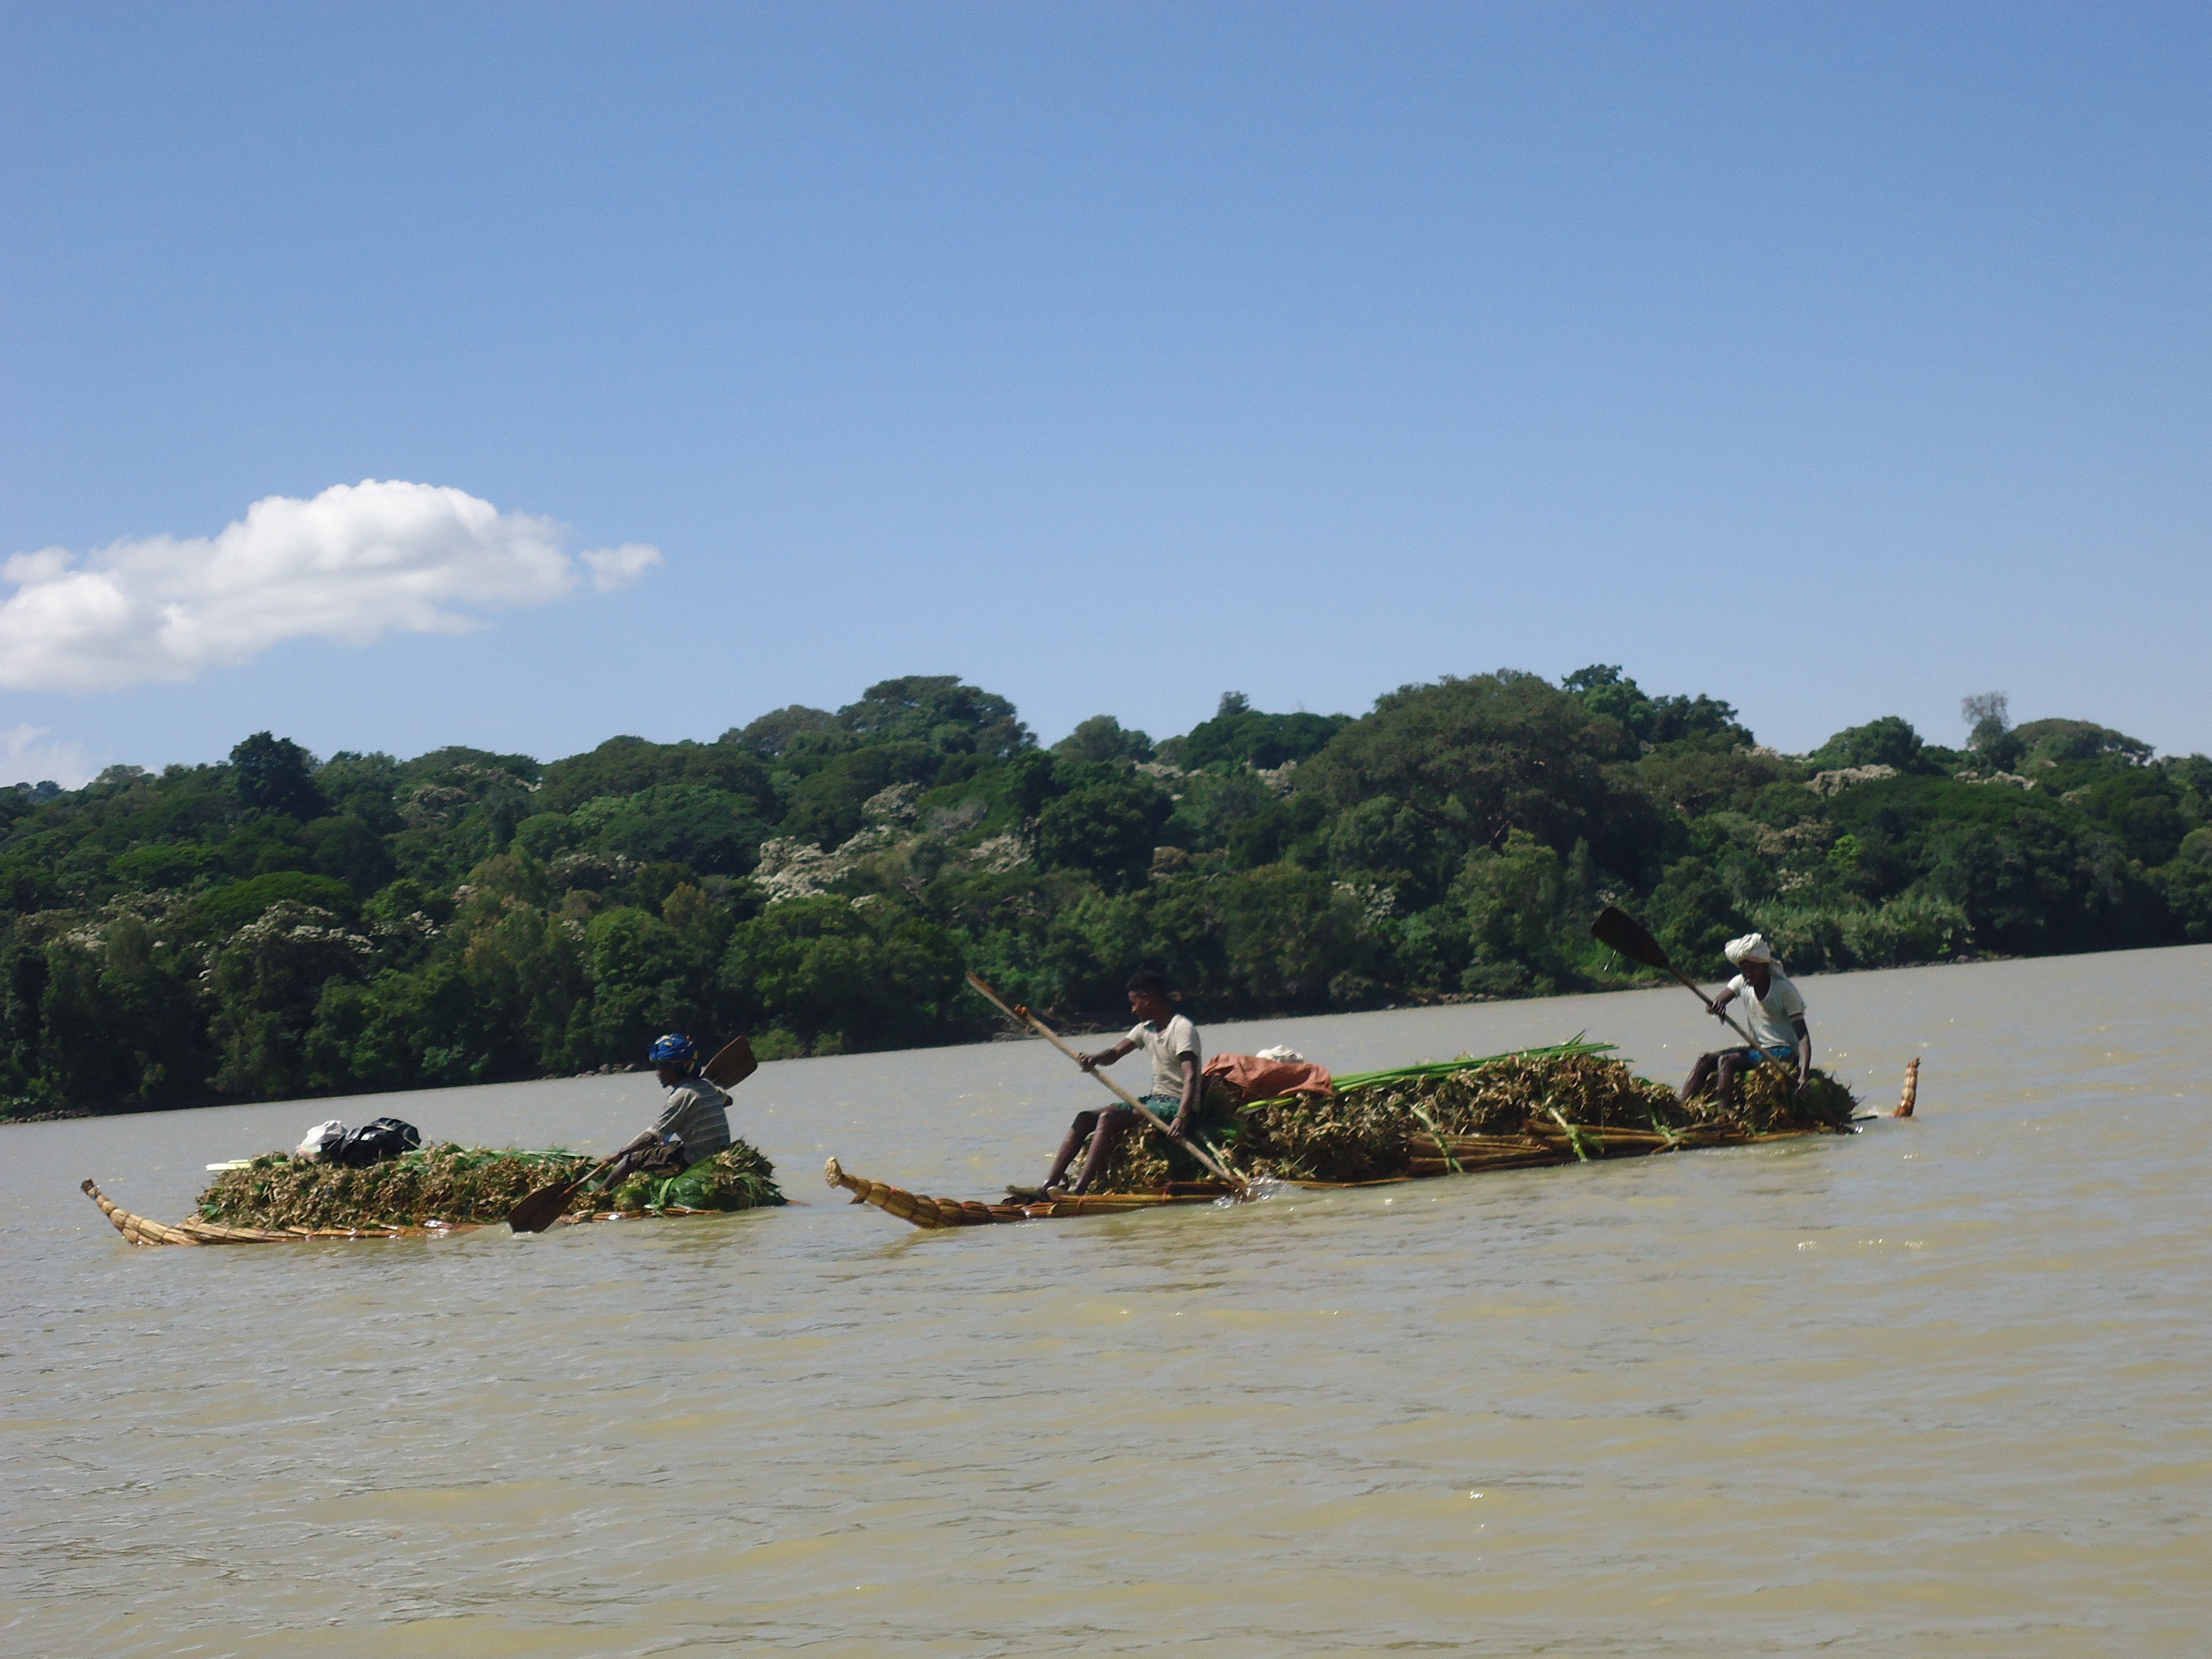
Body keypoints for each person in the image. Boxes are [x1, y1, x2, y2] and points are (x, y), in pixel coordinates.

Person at [1040, 970, 1203, 1196]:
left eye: (1135, 1003)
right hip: (1155, 1100)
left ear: (1148, 998)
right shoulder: (1145, 1029)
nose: (1133, 1009)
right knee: (1085, 1118)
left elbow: (1191, 1077)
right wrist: (1095, 1059)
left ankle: (1079, 1190)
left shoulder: (1182, 1029)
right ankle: (1048, 1185)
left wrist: (1182, 1116)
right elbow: (1115, 1053)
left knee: (1108, 1119)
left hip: (1175, 1104)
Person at [1682, 933, 1811, 1111]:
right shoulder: (1741, 982)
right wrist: (1716, 1007)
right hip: (1758, 1049)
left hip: (1784, 1052)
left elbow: (1803, 1036)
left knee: (1726, 1062)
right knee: (1706, 1059)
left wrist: (1803, 1074)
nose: (1748, 974)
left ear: (1765, 966)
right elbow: (1714, 1004)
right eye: (1744, 969)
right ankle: (1682, 1107)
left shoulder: (1784, 991)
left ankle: (1724, 1115)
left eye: (1752, 969)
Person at [599, 1032, 733, 1184]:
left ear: (672, 1069)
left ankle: (600, 1196)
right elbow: (728, 1101)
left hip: (697, 1159)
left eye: (660, 1068)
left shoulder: (680, 1097)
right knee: (669, 1146)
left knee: (635, 1158)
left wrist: (621, 1153)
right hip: (719, 1153)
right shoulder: (708, 1087)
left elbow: (651, 1136)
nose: (658, 1074)